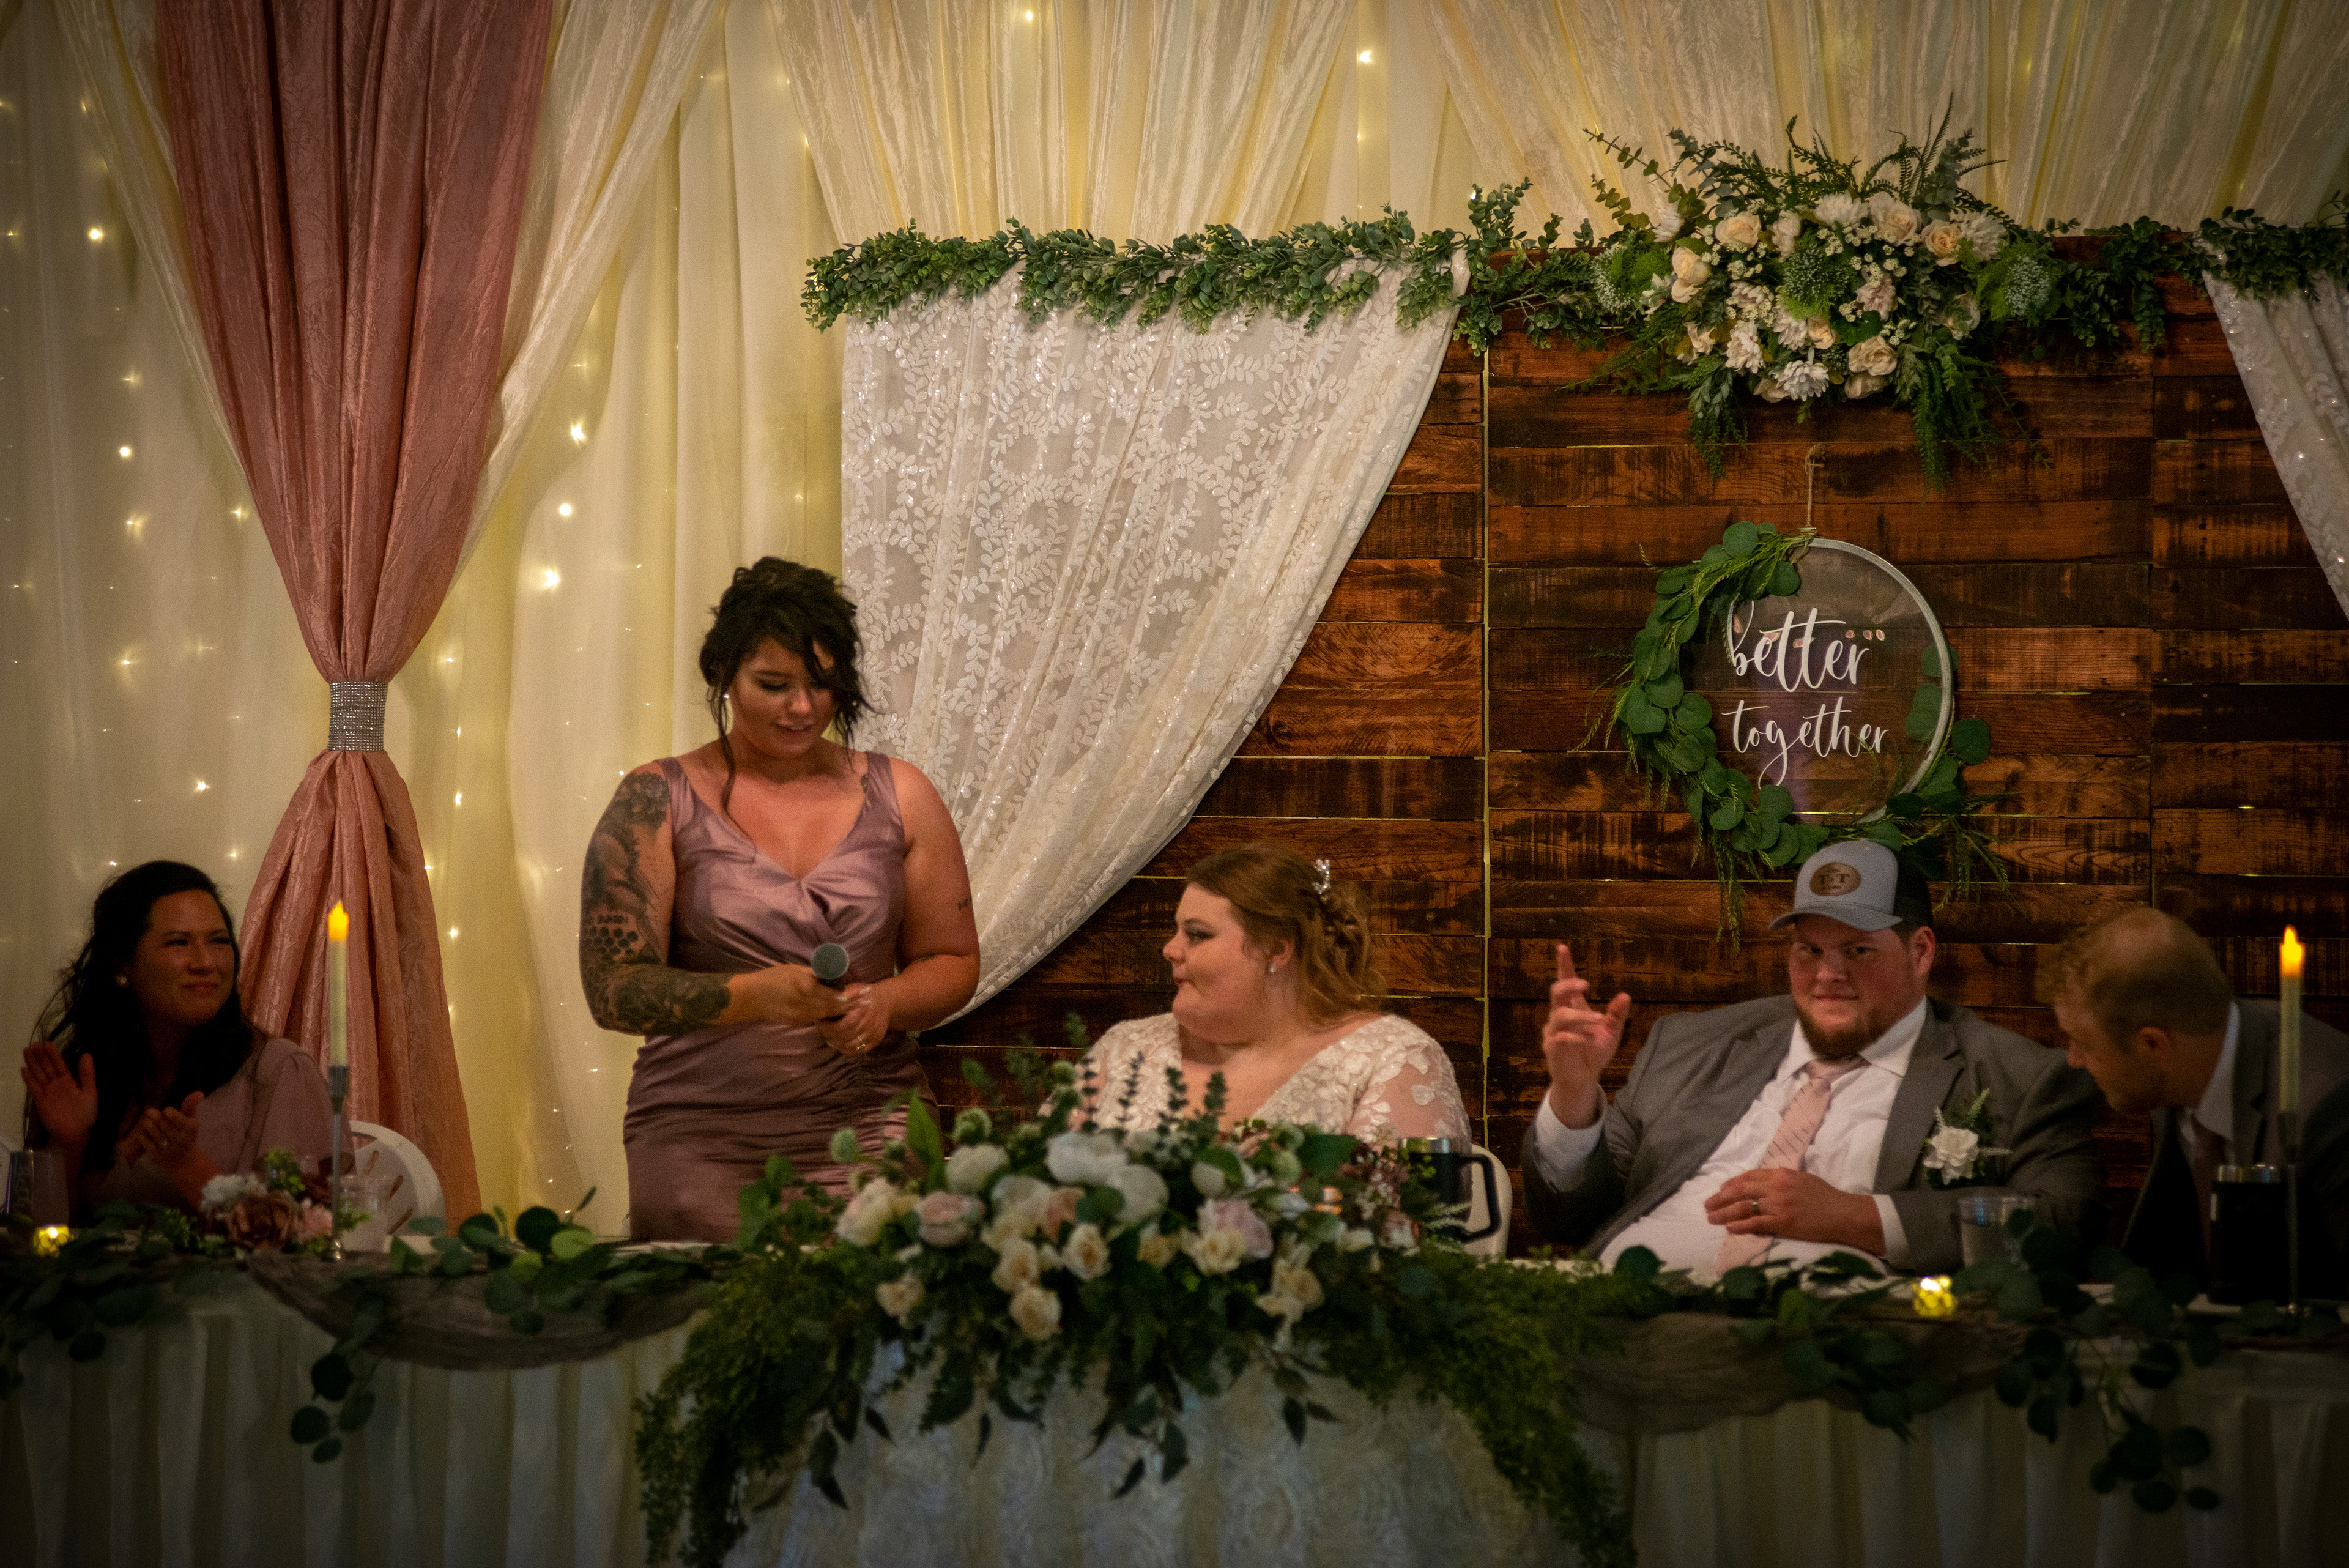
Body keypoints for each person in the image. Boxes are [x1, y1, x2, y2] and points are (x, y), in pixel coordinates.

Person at [582, 558, 979, 1239]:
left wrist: (886, 1002)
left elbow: (953, 959)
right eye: (774, 685)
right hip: (701, 1135)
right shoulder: (656, 797)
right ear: (723, 674)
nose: (803, 708)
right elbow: (612, 990)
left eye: (822, 685)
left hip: (871, 1124)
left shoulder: (903, 793)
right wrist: (756, 996)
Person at [1522, 839, 2103, 1275]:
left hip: (1830, 1346)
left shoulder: (2015, 1076)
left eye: (1858, 951)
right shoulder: (1690, 1045)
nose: (1828, 975)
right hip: (1622, 1309)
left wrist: (1852, 1216)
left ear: (1921, 951)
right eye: (1809, 949)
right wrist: (1573, 1097)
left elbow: (2063, 1224)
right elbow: (1569, 1220)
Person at [2041, 907, 2349, 1293]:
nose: (2073, 1059)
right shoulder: (2176, 1078)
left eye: (2083, 1043)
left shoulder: (2324, 1107)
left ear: (2152, 1044)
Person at [1080, 844, 1469, 1143]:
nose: (1170, 949)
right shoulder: (1126, 1048)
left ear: (1276, 949)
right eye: (1177, 931)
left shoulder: (1390, 1060)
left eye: (1197, 934)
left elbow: (1406, 1216)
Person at [18, 861, 335, 1219]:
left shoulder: (278, 1071)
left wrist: (189, 1167)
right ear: (122, 964)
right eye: (179, 943)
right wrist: (69, 1142)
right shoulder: (84, 1075)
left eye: (219, 941)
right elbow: (33, 1237)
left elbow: (306, 1235)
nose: (205, 962)